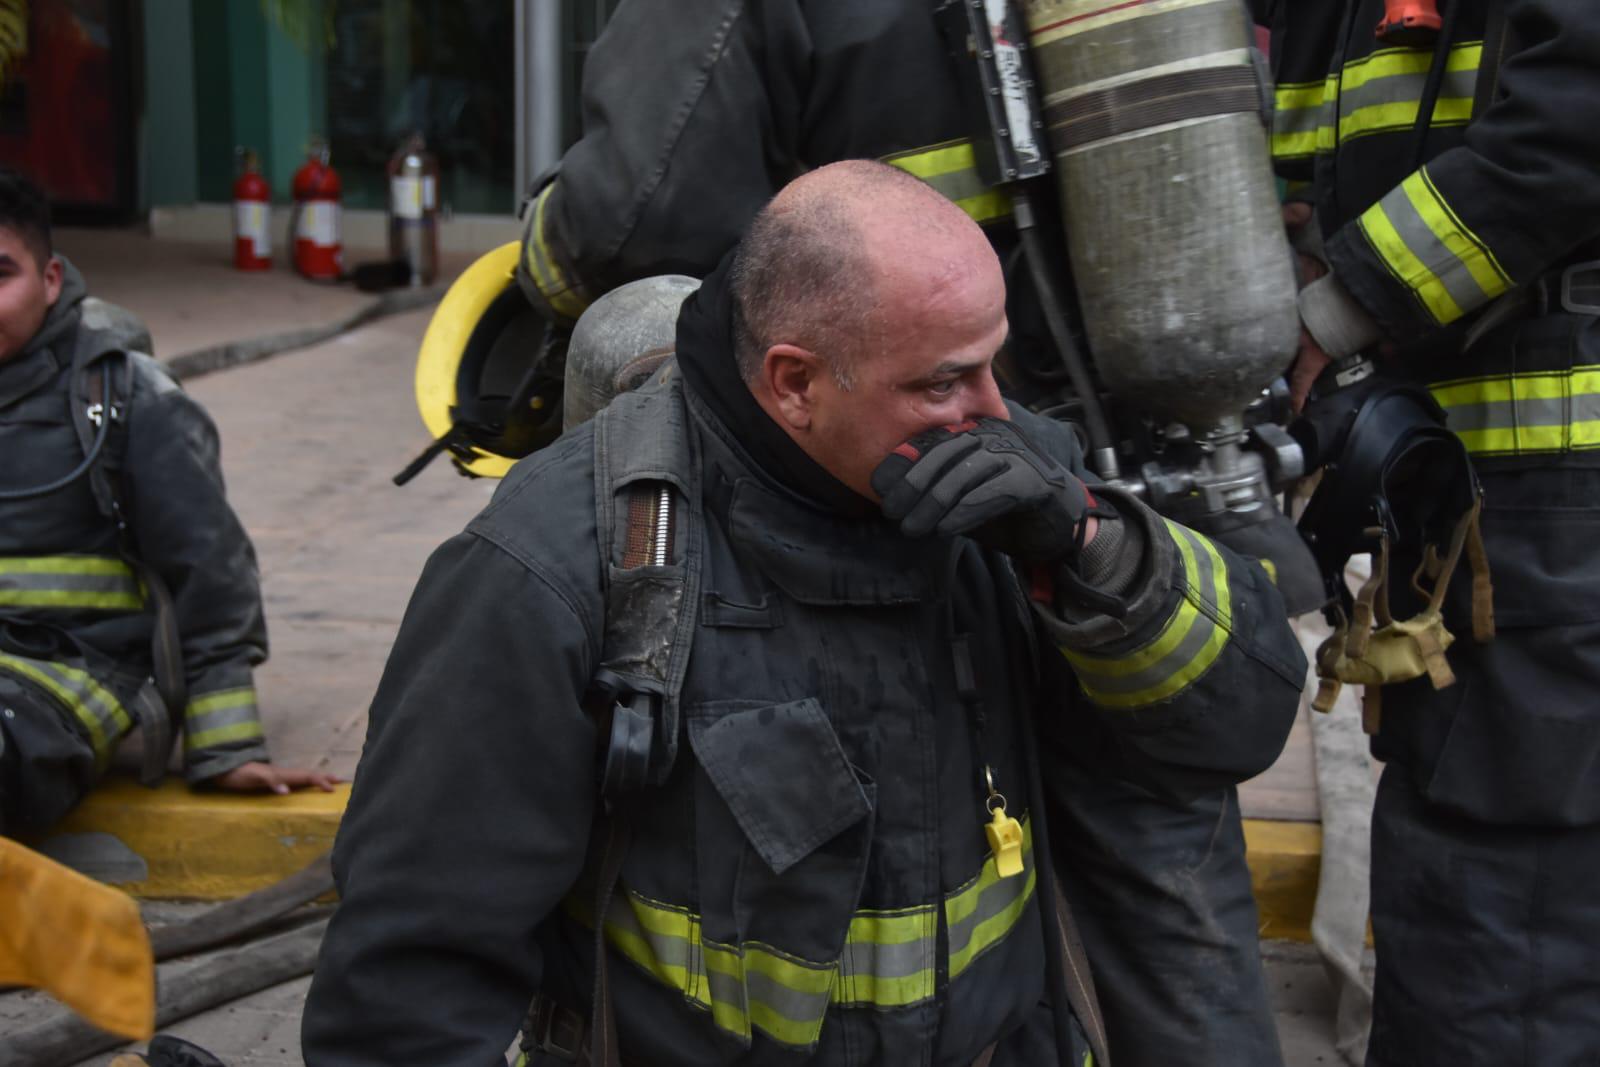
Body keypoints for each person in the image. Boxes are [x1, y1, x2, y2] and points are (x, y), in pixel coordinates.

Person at [304, 161, 1306, 1066]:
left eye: (993, 364)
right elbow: (407, 988)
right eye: (943, 381)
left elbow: (1238, 719)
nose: (996, 415)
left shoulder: (1012, 489)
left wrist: (1090, 548)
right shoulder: (554, 565)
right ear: (793, 383)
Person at [1256, 1, 1600, 1062]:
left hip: (1555, 499)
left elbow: (1576, 115)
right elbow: (1304, 162)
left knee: (1501, 906)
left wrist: (1347, 297)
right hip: (1469, 489)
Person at [0, 169, 335, 834]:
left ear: (52, 279)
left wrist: (225, 744)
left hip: (65, 675)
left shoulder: (124, 399)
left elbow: (210, 567)